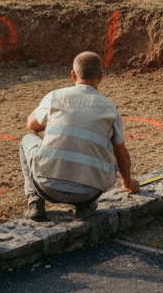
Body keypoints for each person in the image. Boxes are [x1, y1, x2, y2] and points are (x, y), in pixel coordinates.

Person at [20, 50, 140, 221]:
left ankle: (35, 202)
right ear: (100, 76)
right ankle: (84, 207)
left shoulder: (55, 97)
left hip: (46, 188)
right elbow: (121, 153)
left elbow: (31, 125)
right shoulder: (110, 109)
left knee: (27, 139)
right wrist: (129, 183)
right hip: (89, 193)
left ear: (73, 75)